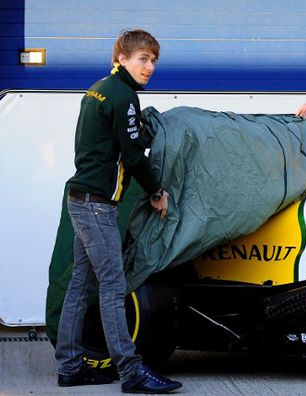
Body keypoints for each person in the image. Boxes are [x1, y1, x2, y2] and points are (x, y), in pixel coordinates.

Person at [55, 29, 182, 394]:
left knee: (81, 285)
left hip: (79, 198)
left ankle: (69, 367)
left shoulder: (97, 89)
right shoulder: (124, 96)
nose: (149, 67)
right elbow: (132, 157)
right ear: (122, 58)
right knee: (113, 286)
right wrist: (157, 190)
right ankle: (131, 371)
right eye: (143, 59)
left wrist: (136, 135)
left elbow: (113, 141)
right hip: (96, 206)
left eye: (154, 60)